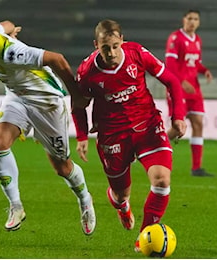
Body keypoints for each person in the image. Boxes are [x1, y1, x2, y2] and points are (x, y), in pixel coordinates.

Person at [0, 17, 96, 235]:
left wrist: (76, 95)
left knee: (62, 167)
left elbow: (57, 59)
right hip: (17, 97)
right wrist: (11, 29)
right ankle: (16, 206)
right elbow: (5, 24)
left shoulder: (11, 53)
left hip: (47, 104)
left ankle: (85, 199)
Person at [72, 19, 187, 250]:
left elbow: (172, 81)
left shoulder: (137, 54)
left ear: (122, 41)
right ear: (96, 45)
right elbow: (78, 105)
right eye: (105, 47)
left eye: (115, 46)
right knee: (120, 193)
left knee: (162, 180)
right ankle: (122, 206)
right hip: (112, 135)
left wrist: (178, 116)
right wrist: (82, 136)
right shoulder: (87, 72)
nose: (111, 52)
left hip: (148, 126)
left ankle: (144, 237)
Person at [165, 9, 214, 177]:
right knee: (178, 127)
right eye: (190, 18)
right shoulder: (175, 38)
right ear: (183, 20)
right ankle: (153, 148)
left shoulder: (197, 40)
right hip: (178, 87)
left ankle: (196, 168)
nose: (192, 22)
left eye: (196, 19)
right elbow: (170, 64)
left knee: (198, 123)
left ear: (199, 22)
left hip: (194, 88)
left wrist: (205, 70)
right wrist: (181, 81)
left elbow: (195, 63)